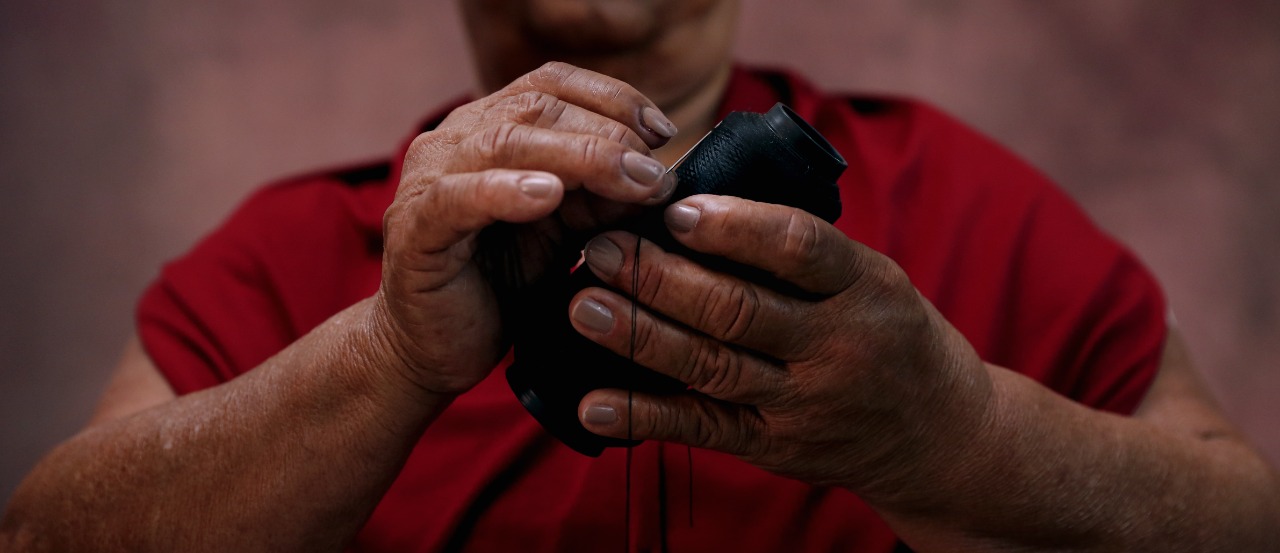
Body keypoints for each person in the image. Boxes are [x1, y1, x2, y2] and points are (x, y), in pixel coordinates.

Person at [3, 1, 1278, 551]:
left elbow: (1237, 521)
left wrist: (955, 437)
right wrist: (383, 360)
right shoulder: (295, 247)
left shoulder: (964, 199)